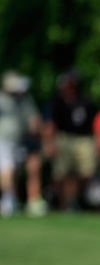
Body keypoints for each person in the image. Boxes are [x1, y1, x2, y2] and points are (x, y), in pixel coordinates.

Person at [44, 70, 97, 210]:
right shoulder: (57, 102)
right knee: (62, 174)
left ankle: (74, 200)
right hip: (64, 138)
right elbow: (51, 125)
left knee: (86, 172)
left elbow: (93, 124)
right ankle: (64, 203)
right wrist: (49, 143)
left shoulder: (85, 101)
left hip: (83, 138)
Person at [0, 71, 44, 217]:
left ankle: (11, 199)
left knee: (14, 171)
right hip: (3, 140)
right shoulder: (2, 100)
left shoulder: (23, 101)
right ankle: (8, 200)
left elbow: (33, 121)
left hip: (17, 141)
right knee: (8, 169)